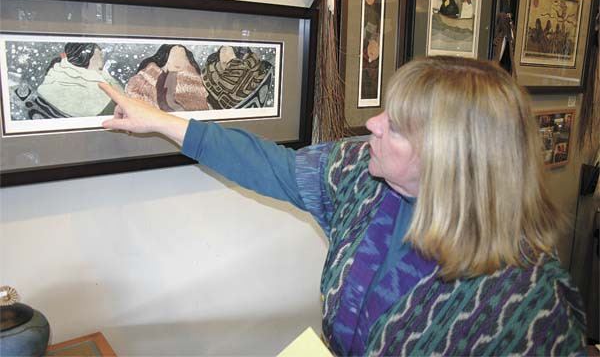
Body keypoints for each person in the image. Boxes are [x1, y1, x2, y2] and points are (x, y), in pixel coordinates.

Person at [98, 56, 586, 356]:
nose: (372, 124)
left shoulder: (530, 302)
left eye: (395, 126)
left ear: (451, 159)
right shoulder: (364, 177)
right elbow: (270, 165)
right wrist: (162, 122)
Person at [37, 43, 123, 117]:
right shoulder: (98, 91)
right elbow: (124, 103)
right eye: (100, 55)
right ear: (84, 58)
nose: (102, 62)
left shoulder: (54, 76)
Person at [126, 44, 210, 112]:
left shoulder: (192, 82)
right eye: (175, 56)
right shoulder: (146, 78)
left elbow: (199, 110)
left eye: (182, 57)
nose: (178, 61)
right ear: (166, 58)